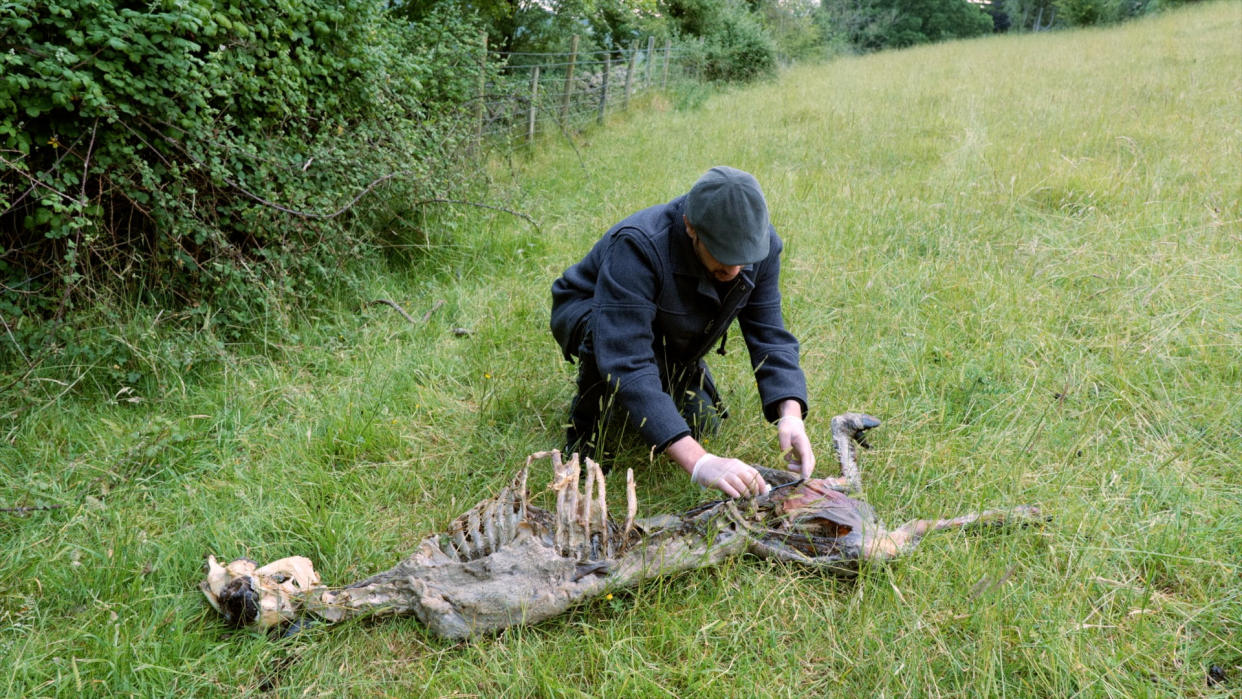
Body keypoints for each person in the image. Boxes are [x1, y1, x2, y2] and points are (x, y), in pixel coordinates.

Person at [549, 166, 815, 499]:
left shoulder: (759, 247)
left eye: (742, 260)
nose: (734, 270)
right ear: (691, 226)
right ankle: (589, 432)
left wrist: (790, 417)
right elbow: (626, 359)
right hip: (594, 313)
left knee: (702, 423)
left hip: (667, 328)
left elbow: (769, 333)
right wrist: (699, 462)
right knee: (618, 367)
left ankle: (669, 375)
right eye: (722, 253)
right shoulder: (638, 245)